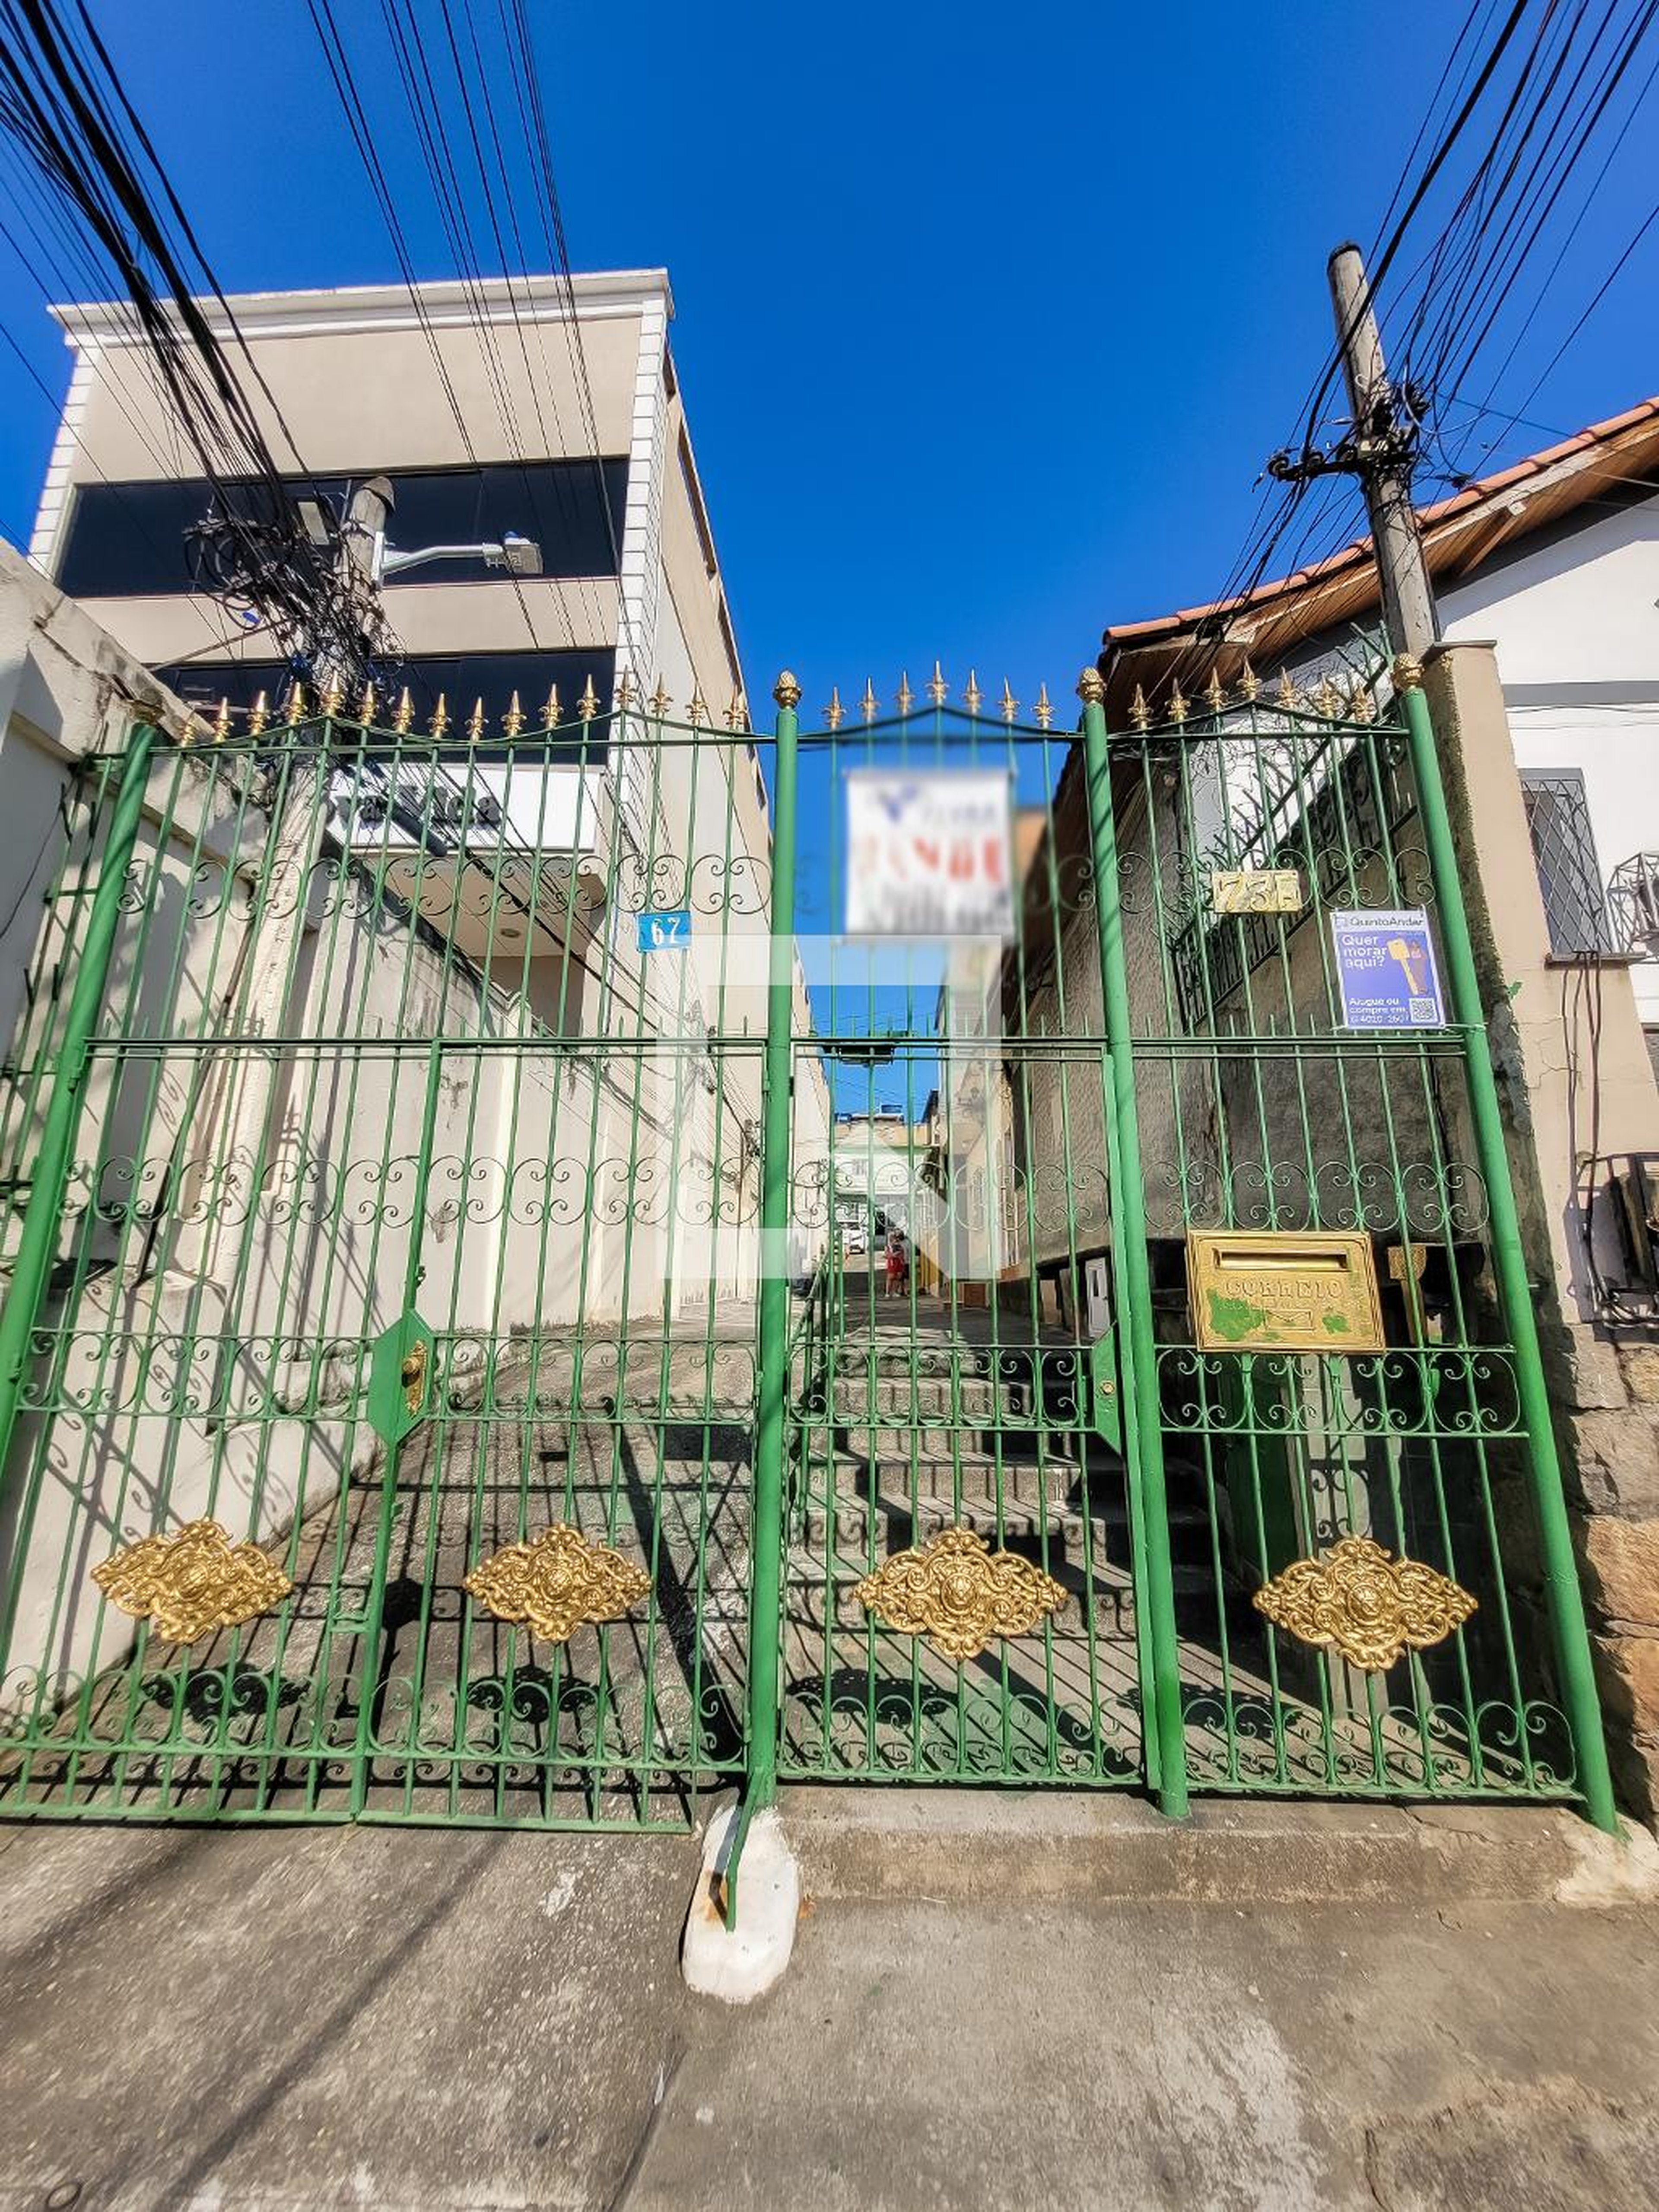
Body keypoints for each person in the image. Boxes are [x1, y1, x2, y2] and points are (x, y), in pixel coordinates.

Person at [885, 1227, 907, 1297]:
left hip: (900, 1262)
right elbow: (887, 1255)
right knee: (891, 1277)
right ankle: (888, 1293)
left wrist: (902, 1259)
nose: (895, 1239)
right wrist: (893, 1255)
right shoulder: (889, 1247)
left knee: (899, 1277)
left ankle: (895, 1292)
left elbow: (903, 1253)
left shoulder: (901, 1245)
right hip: (892, 1262)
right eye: (893, 1238)